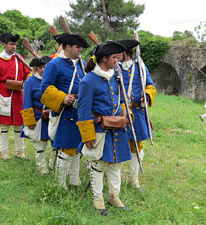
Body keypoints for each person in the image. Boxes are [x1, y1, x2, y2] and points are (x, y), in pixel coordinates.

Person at [77, 41, 132, 216]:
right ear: (104, 58)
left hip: (117, 127)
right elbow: (84, 110)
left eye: (118, 57)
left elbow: (120, 100)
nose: (117, 61)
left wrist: (126, 114)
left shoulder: (116, 77)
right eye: (115, 57)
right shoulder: (88, 81)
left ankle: (114, 196)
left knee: (116, 164)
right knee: (99, 165)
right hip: (99, 129)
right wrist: (87, 136)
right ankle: (98, 200)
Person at [40, 32, 89, 189]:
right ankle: (60, 183)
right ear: (68, 47)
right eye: (77, 47)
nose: (80, 50)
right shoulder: (53, 64)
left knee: (76, 148)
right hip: (64, 112)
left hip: (79, 112)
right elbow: (45, 87)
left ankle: (74, 180)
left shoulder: (80, 64)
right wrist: (62, 97)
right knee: (66, 147)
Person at [117, 39, 157, 192]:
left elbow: (150, 85)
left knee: (137, 147)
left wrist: (147, 96)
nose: (116, 55)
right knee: (119, 144)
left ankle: (134, 180)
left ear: (125, 53)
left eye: (118, 53)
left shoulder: (140, 67)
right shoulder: (114, 68)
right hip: (120, 112)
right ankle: (117, 179)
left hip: (137, 112)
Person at [0, 33, 31, 160]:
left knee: (19, 125)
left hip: (17, 96)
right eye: (11, 44)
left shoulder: (19, 58)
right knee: (3, 126)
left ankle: (20, 152)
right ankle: (4, 153)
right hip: (3, 95)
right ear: (4, 44)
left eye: (15, 44)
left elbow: (27, 75)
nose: (14, 47)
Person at [20, 56, 56, 174]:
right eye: (41, 67)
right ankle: (42, 169)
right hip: (38, 117)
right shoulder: (30, 82)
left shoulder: (53, 80)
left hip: (52, 116)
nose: (43, 69)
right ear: (36, 68)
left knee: (55, 144)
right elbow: (26, 102)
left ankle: (52, 165)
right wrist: (30, 121)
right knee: (40, 145)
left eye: (45, 67)